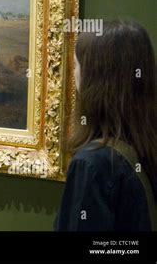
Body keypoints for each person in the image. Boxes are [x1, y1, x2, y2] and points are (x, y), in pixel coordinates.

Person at [55, 19, 157, 231]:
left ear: (94, 78)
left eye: (76, 65)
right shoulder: (147, 144)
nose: (74, 73)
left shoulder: (92, 163)